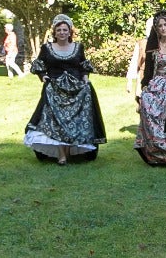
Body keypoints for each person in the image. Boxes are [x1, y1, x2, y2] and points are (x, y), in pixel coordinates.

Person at [24, 15, 107, 164]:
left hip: (76, 89)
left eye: (65, 30)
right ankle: (61, 154)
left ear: (70, 32)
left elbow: (83, 66)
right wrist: (43, 77)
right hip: (55, 88)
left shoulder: (78, 47)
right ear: (54, 32)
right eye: (59, 30)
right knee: (57, 121)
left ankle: (69, 151)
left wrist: (85, 79)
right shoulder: (47, 48)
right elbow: (39, 65)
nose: (62, 32)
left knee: (73, 120)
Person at [131, 11, 166, 167]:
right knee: (149, 110)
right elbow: (149, 70)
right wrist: (144, 88)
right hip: (157, 85)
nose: (163, 28)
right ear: (156, 29)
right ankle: (155, 154)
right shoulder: (153, 47)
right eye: (160, 26)